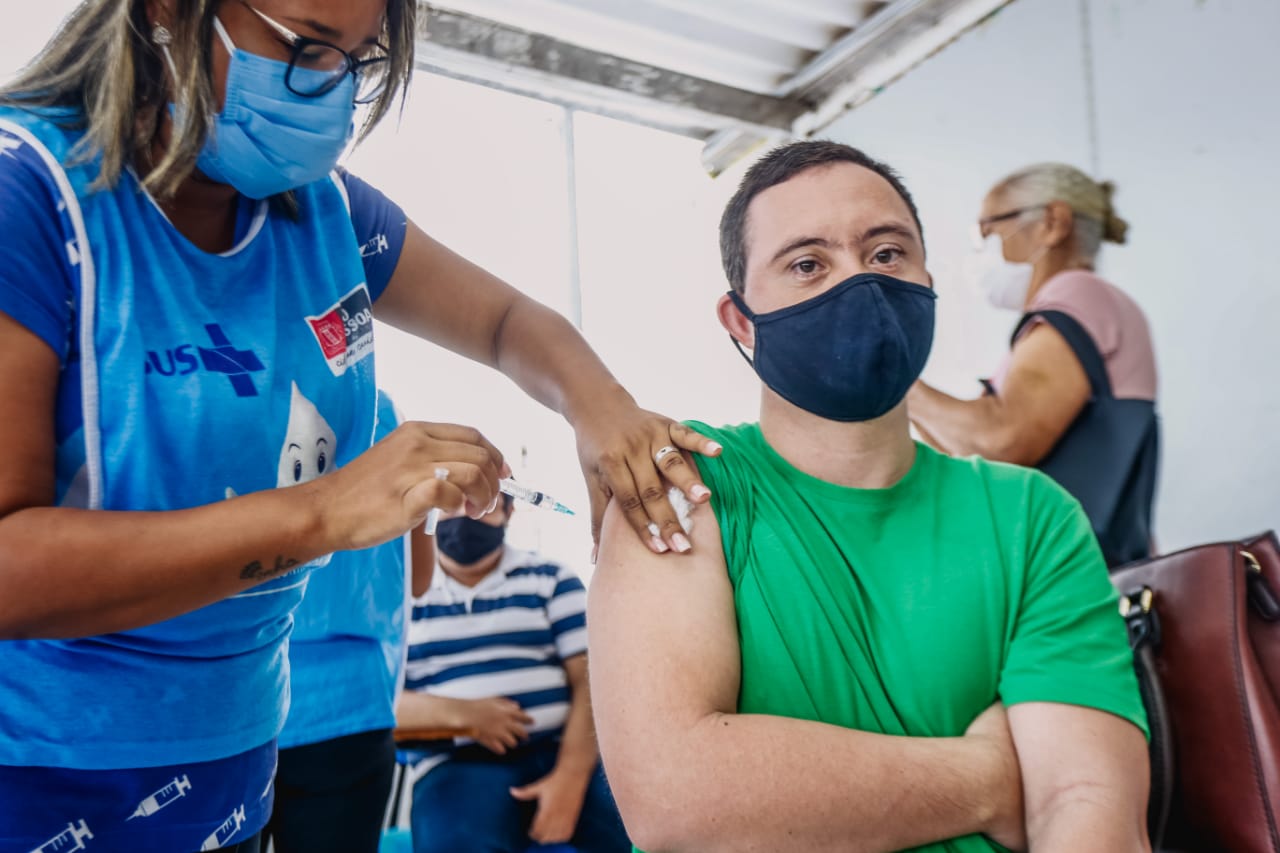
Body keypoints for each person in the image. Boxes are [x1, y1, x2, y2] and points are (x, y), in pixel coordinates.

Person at [0, 2, 717, 849]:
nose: (330, 91)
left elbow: (505, 321)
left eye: (357, 60)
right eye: (305, 46)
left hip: (231, 770)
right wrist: (325, 512)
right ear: (167, 11)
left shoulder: (325, 213)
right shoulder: (29, 195)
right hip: (41, 780)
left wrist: (599, 409)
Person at [589, 141, 1151, 852]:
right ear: (742, 322)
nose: (859, 283)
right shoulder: (682, 487)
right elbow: (676, 797)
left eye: (886, 254)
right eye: (807, 264)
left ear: (927, 283)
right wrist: (988, 777)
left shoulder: (1031, 516)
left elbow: (1086, 804)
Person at [908, 163, 1158, 566]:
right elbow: (969, 455)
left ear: (1052, 223)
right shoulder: (1076, 311)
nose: (981, 251)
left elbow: (1003, 439)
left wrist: (895, 381)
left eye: (987, 231)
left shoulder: (1079, 294)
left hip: (1067, 570)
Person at [396, 495, 629, 853]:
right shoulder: (404, 596)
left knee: (632, 829)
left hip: (565, 752)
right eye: (450, 506)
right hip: (456, 765)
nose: (463, 516)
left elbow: (591, 682)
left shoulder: (551, 579)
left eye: (478, 504)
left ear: (508, 510)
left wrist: (570, 779)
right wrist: (467, 716)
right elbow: (381, 704)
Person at [261, 390, 431, 853]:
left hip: (239, 694)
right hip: (351, 705)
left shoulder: (240, 398)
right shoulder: (388, 417)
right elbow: (417, 579)